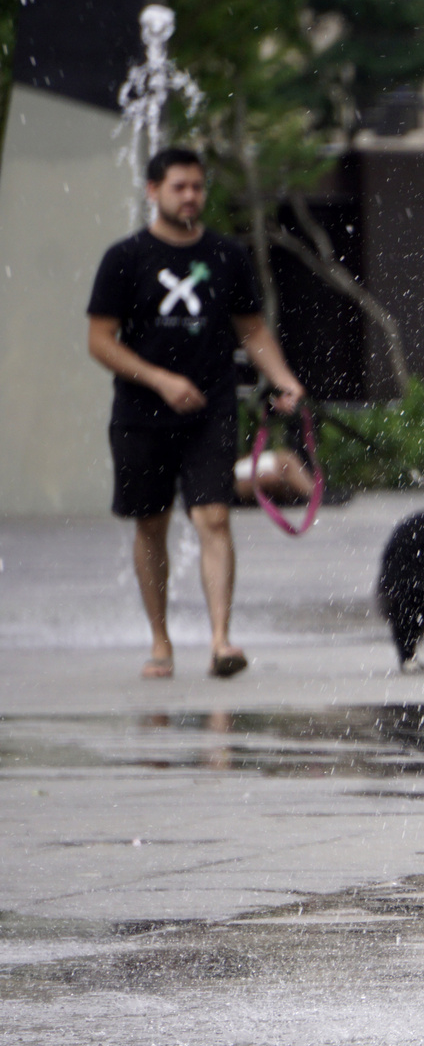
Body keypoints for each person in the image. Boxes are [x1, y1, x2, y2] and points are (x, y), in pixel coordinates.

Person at [86, 146, 306, 680]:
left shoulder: (226, 256)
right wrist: (160, 379)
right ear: (153, 191)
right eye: (180, 186)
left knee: (213, 516)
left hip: (211, 408)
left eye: (198, 187)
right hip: (140, 413)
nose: (191, 196)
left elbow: (251, 330)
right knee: (151, 524)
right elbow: (99, 340)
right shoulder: (124, 258)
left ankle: (220, 641)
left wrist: (283, 379)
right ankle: (161, 641)